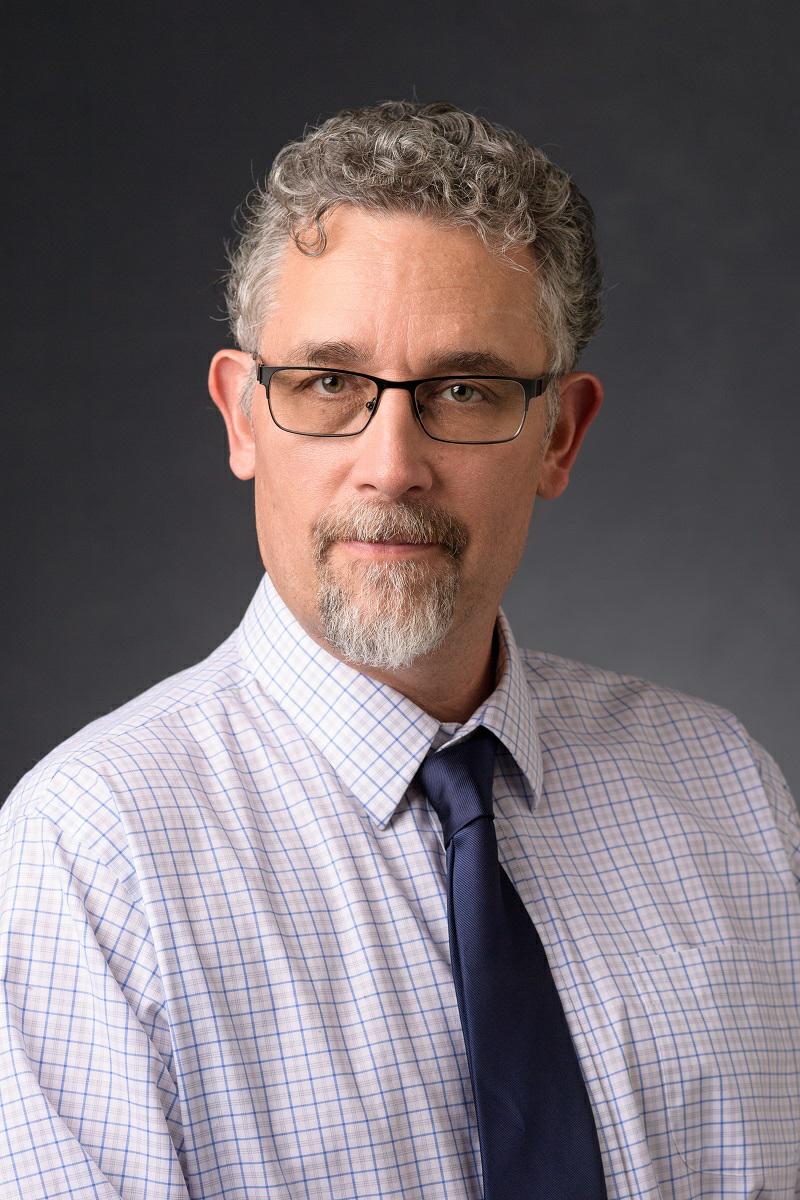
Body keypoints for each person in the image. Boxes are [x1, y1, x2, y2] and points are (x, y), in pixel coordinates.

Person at [1, 100, 798, 1200]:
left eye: (463, 391)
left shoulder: (728, 795)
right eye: (329, 384)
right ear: (242, 416)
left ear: (559, 436)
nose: (391, 465)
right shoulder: (88, 863)